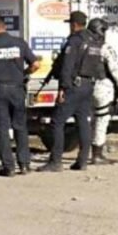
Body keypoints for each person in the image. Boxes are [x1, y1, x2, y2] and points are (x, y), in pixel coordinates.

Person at [0, 15, 40, 177]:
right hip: (17, 89)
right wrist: (23, 73)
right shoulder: (19, 43)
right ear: (4, 27)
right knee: (20, 127)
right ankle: (24, 164)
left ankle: (8, 167)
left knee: (2, 128)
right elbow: (36, 64)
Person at [39, 11, 100, 172]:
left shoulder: (74, 41)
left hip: (73, 86)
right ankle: (83, 160)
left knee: (57, 122)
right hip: (88, 85)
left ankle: (55, 161)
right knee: (83, 122)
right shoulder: (94, 41)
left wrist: (63, 88)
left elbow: (67, 66)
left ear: (74, 25)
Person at [87, 18, 118, 165]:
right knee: (102, 120)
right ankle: (97, 154)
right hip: (102, 87)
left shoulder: (83, 45)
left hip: (85, 86)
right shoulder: (104, 48)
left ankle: (87, 152)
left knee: (90, 119)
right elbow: (114, 70)